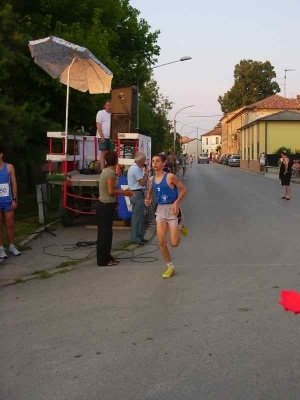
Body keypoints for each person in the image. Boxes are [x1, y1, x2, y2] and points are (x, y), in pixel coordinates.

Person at [145, 154, 187, 279]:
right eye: (153, 161)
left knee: (174, 243)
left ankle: (179, 226)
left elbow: (184, 189)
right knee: (161, 241)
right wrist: (147, 199)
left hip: (172, 210)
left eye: (157, 161)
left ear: (163, 164)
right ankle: (170, 267)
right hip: (160, 211)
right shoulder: (151, 179)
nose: (154, 163)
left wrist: (176, 203)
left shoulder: (170, 177)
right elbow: (150, 190)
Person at [97, 151, 135, 266]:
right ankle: (103, 260)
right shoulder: (110, 174)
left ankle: (107, 256)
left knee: (106, 232)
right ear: (116, 161)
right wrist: (124, 192)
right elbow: (111, 191)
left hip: (105, 205)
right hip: (106, 206)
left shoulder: (106, 171)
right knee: (105, 234)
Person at [0, 147, 21, 259]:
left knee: (10, 223)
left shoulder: (9, 167)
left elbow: (14, 183)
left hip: (8, 200)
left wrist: (14, 199)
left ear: (1, 154)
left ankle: (11, 246)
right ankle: (1, 248)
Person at [127, 152, 149, 245]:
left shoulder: (133, 168)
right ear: (141, 161)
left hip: (135, 193)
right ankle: (136, 238)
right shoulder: (136, 169)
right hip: (137, 193)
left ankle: (139, 236)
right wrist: (146, 174)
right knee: (138, 217)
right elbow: (142, 182)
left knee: (139, 217)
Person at [96, 100, 112, 172]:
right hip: (102, 135)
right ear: (105, 106)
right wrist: (101, 136)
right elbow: (98, 125)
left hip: (110, 136)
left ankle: (109, 168)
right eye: (108, 105)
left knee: (110, 153)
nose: (109, 107)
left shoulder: (112, 114)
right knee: (103, 152)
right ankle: (102, 170)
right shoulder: (101, 113)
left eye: (110, 105)